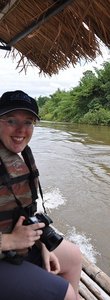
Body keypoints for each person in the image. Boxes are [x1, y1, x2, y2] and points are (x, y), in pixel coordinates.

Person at [0, 90, 82, 300]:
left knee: (73, 257)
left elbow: (25, 211)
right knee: (66, 294)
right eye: (11, 120)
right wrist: (9, 242)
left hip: (16, 246)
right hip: (5, 248)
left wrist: (42, 244)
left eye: (28, 122)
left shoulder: (18, 157)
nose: (21, 130)